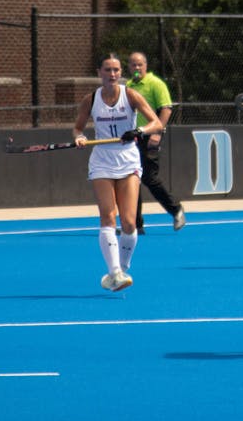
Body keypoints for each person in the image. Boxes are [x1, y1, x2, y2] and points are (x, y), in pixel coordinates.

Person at [73, 53, 164, 292]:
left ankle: (121, 267)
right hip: (102, 161)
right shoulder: (91, 100)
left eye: (116, 70)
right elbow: (77, 128)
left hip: (128, 160)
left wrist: (139, 131)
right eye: (107, 70)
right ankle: (114, 272)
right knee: (108, 216)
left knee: (129, 222)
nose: (112, 75)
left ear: (120, 73)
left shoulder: (131, 95)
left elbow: (157, 123)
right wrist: (80, 138)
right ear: (99, 72)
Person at [126, 52, 185, 234]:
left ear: (146, 65)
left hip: (150, 136)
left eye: (140, 65)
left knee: (149, 178)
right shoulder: (128, 86)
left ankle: (176, 209)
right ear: (129, 67)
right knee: (131, 179)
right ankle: (135, 224)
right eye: (133, 65)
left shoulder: (156, 84)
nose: (137, 68)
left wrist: (157, 132)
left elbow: (166, 109)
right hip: (132, 139)